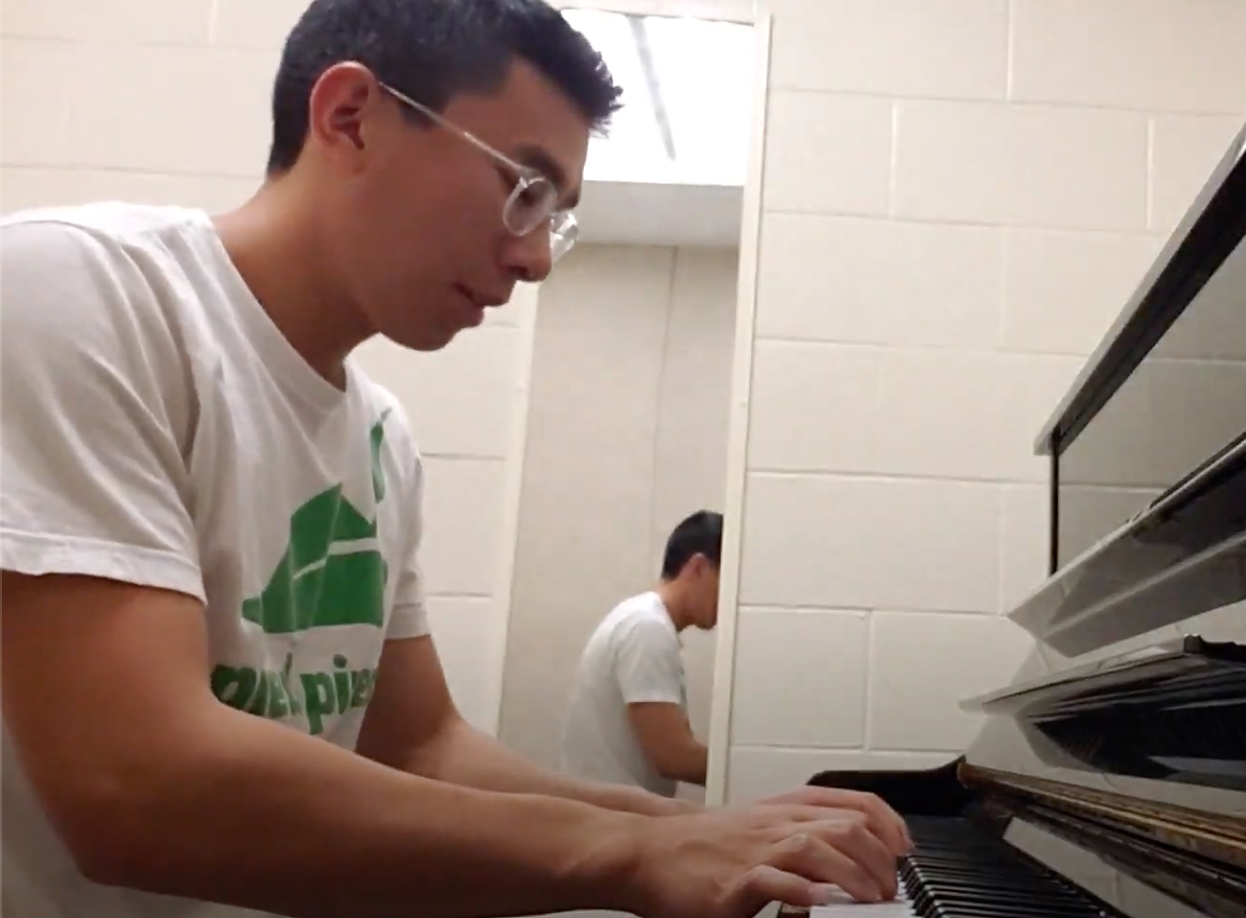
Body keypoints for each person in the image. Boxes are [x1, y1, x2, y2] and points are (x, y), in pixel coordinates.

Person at [0, 1, 913, 916]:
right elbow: (133, 783)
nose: (538, 261)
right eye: (525, 187)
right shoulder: (80, 292)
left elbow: (421, 745)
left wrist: (684, 826)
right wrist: (630, 851)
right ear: (350, 118)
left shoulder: (382, 437)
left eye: (556, 218)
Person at [562, 510, 723, 795]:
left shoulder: (644, 621)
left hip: (609, 809)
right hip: (611, 813)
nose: (730, 600)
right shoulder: (647, 627)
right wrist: (746, 767)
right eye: (727, 583)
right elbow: (674, 756)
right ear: (698, 567)